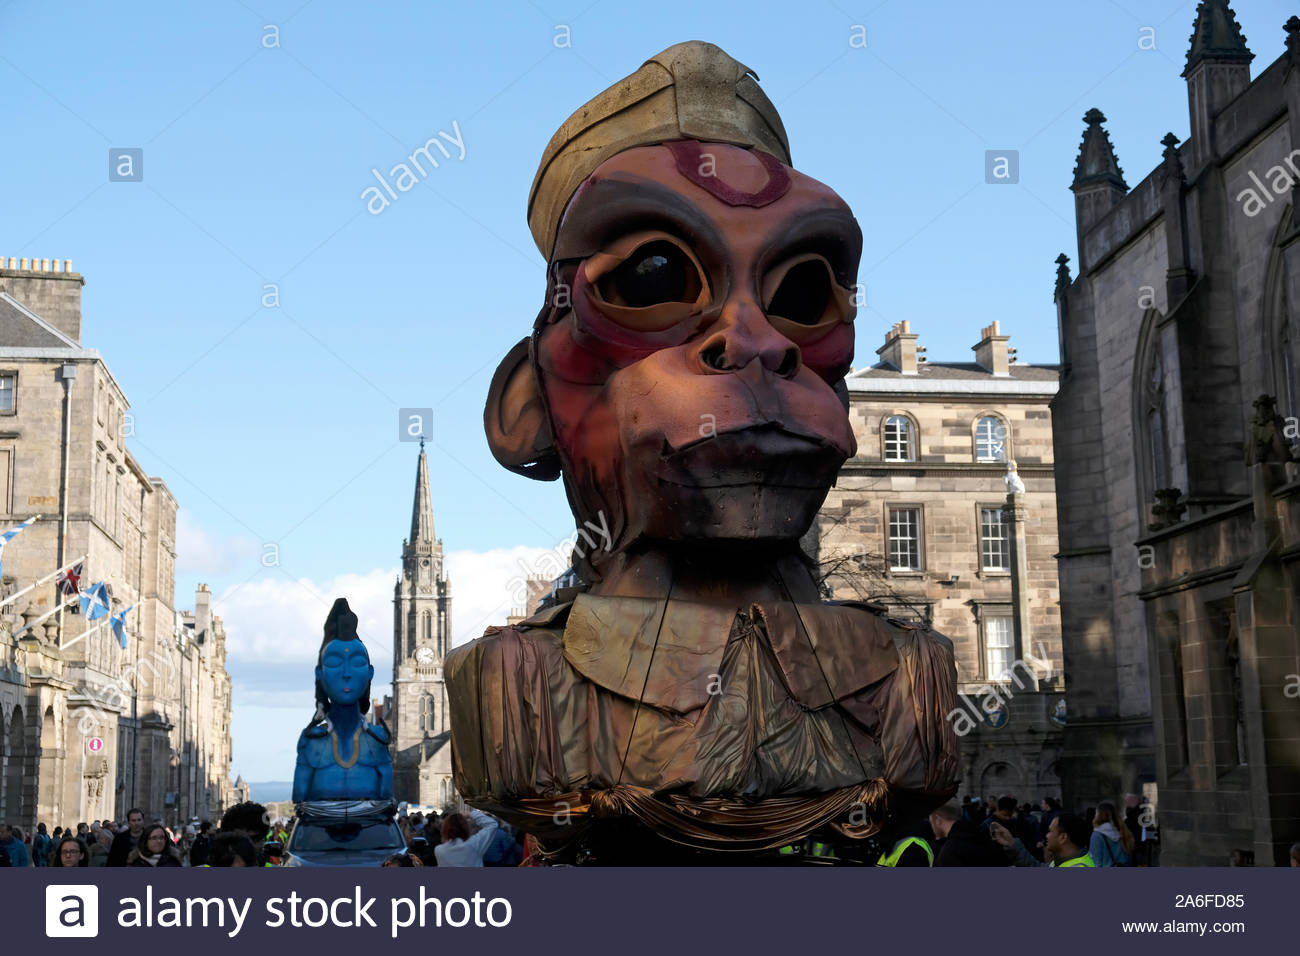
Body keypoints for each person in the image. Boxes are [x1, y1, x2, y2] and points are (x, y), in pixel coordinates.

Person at [992, 812, 1095, 867]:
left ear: (1063, 837)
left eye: (1050, 831)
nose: (1047, 835)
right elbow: (1035, 866)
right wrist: (1011, 843)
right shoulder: (1061, 861)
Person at [929, 802, 1005, 866]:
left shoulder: (949, 851)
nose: (932, 828)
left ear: (938, 820)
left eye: (931, 822)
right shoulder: (982, 835)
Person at [434, 810, 499, 867]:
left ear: (445, 829)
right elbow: (492, 824)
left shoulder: (438, 850)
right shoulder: (474, 844)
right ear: (465, 827)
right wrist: (470, 813)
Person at [1090, 801, 1135, 867]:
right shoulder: (1123, 831)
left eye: (1096, 813)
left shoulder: (1097, 835)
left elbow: (1096, 862)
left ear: (1098, 815)